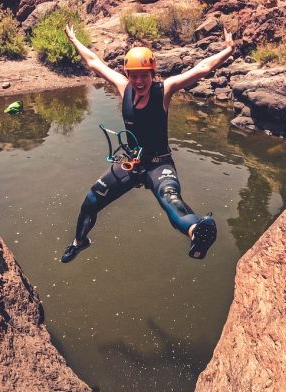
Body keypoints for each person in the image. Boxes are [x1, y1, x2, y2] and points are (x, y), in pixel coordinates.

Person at [60, 23, 235, 263]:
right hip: (131, 163)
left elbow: (201, 68)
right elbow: (94, 63)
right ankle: (79, 242)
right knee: (91, 201)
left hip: (158, 163)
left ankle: (196, 231)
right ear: (128, 75)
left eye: (144, 75)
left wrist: (228, 49)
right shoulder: (124, 87)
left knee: (170, 196)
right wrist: (74, 40)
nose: (139, 80)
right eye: (134, 75)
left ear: (153, 74)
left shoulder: (165, 90)